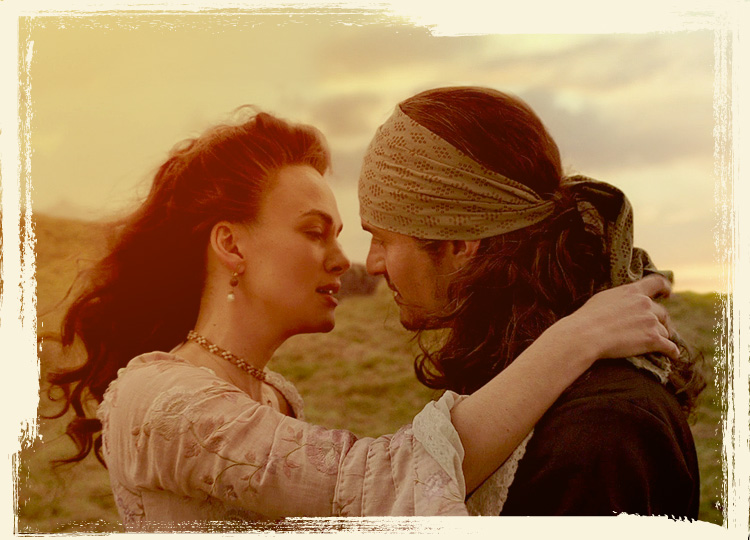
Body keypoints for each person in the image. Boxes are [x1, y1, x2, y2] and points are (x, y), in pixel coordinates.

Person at [47, 107, 680, 530]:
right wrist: (575, 337)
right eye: (313, 231)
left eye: (342, 234)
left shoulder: (271, 397)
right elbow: (378, 486)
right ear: (231, 245)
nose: (345, 260)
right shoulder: (162, 400)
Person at [357, 86, 704, 517]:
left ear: (459, 244)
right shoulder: (521, 382)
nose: (371, 264)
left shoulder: (600, 431)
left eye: (382, 239)